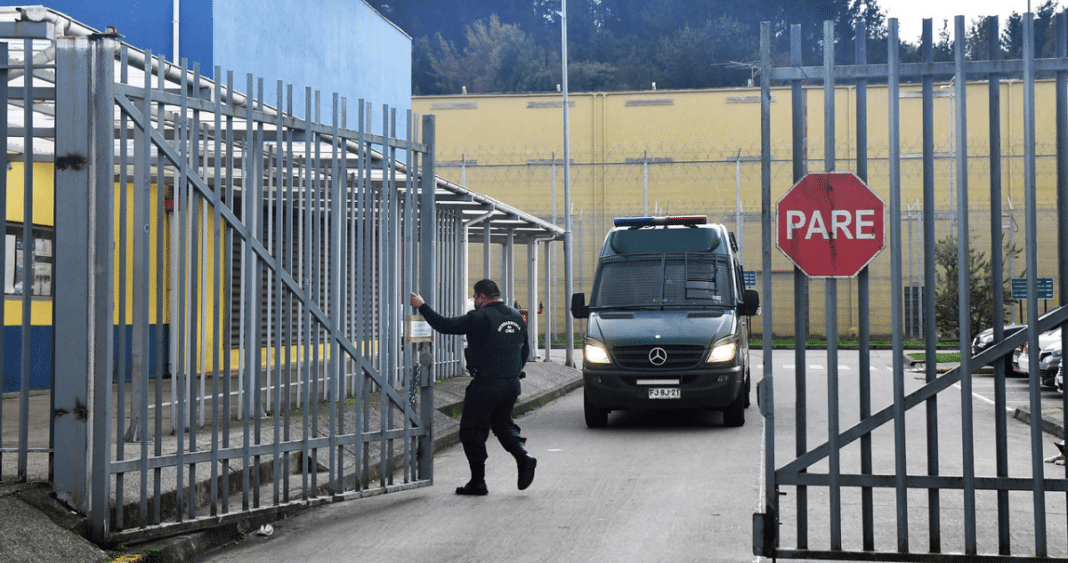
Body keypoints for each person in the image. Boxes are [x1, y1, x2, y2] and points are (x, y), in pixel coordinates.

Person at [409, 279, 537, 496]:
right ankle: (523, 456)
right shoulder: (517, 317)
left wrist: (422, 306)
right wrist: (510, 373)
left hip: (486, 385)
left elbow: (445, 325)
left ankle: (478, 482)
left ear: (481, 298)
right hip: (511, 384)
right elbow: (524, 351)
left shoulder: (480, 317)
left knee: (472, 432)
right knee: (503, 424)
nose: (475, 302)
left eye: (476, 298)